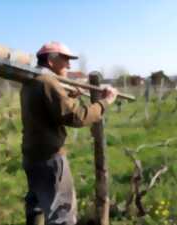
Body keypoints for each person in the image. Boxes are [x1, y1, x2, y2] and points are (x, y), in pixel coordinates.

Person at [20, 41, 118, 225]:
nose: (69, 65)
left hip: (32, 155)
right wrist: (105, 102)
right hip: (50, 159)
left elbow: (47, 109)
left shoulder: (31, 81)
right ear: (51, 61)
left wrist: (70, 96)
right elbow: (76, 117)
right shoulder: (48, 82)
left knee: (37, 205)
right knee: (61, 214)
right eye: (65, 60)